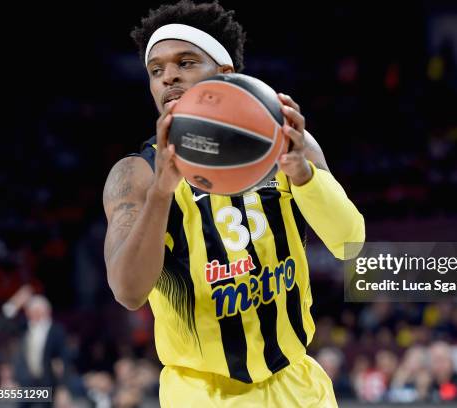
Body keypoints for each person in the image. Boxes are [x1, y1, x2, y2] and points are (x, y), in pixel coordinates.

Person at [102, 1, 365, 406]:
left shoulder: (287, 144)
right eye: (156, 70)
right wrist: (162, 193)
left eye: (186, 62)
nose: (168, 76)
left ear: (226, 73)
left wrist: (304, 176)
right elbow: (128, 291)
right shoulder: (136, 173)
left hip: (296, 385)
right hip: (203, 392)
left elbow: (350, 244)